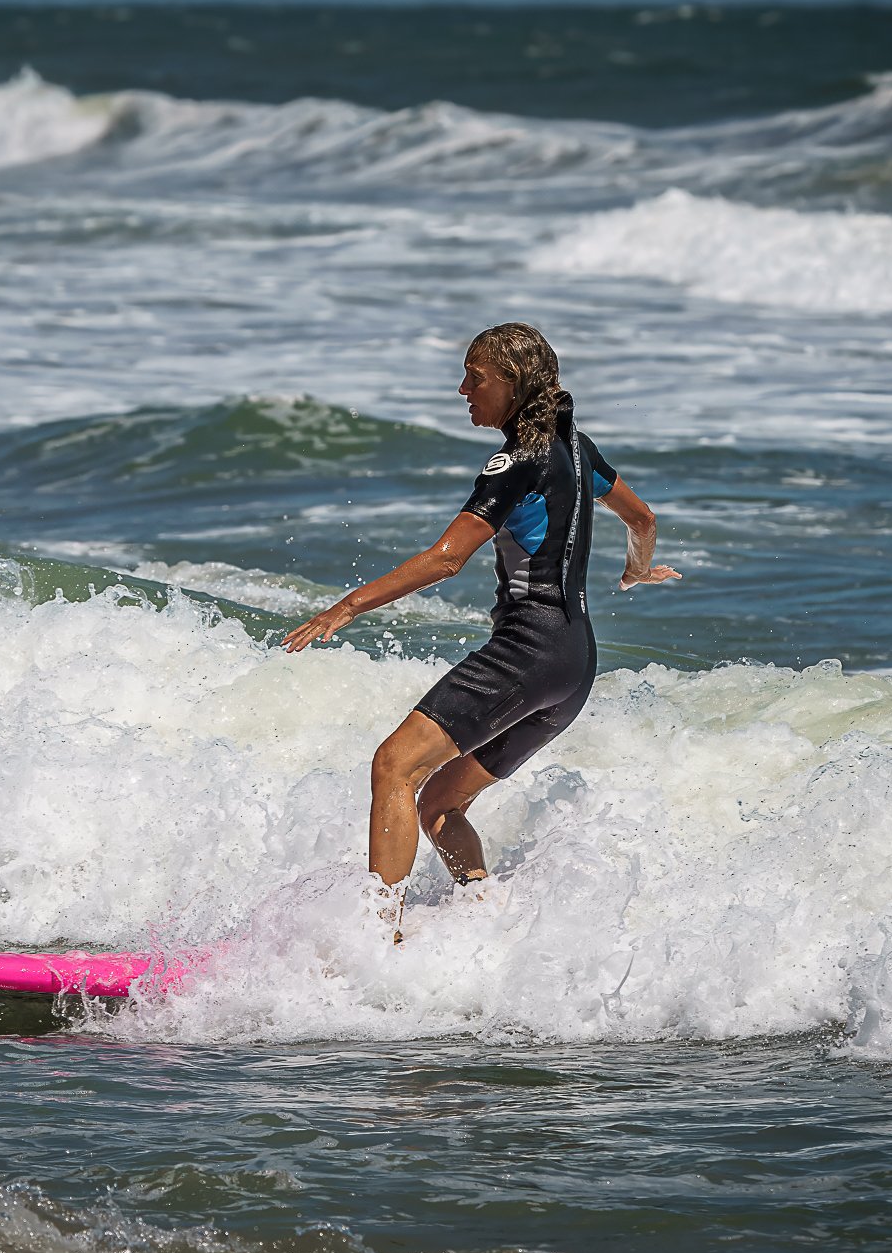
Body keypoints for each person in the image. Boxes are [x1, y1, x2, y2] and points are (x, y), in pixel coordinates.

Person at [284, 323, 679, 910]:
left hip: (528, 651)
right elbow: (642, 519)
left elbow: (446, 559)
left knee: (394, 765)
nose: (462, 389)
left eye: (476, 377)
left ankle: (374, 935)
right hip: (574, 668)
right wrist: (637, 570)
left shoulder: (514, 464)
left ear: (512, 383)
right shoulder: (578, 447)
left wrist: (345, 607)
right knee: (439, 803)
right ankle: (480, 917)